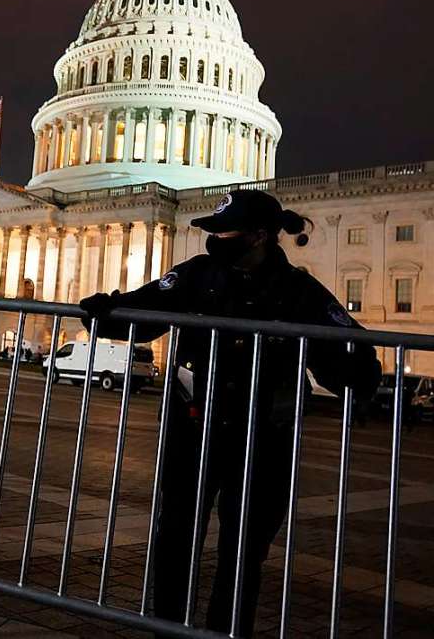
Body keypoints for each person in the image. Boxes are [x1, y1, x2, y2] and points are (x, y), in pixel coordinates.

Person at [79, 190, 380, 637]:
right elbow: (143, 314)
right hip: (194, 428)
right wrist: (106, 313)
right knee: (176, 540)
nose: (214, 238)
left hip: (262, 438)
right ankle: (170, 628)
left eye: (224, 231)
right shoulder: (197, 276)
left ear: (260, 236)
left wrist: (355, 373)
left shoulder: (298, 291)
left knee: (243, 552)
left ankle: (226, 632)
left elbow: (351, 362)